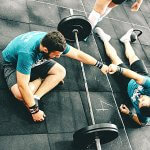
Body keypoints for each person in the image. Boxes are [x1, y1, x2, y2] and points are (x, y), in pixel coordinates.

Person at [1, 31, 108, 122]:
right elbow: (22, 86)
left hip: (36, 61)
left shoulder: (54, 42)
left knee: (61, 71)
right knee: (20, 95)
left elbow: (78, 55)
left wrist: (100, 65)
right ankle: (40, 79)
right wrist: (34, 111)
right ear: (46, 49)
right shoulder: (27, 54)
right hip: (12, 64)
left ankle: (36, 96)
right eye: (56, 54)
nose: (59, 56)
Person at [95, 27, 150, 126]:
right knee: (132, 57)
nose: (140, 98)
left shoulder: (145, 114)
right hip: (139, 76)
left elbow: (142, 123)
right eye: (143, 100)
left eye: (139, 103)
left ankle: (105, 40)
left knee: (114, 59)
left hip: (128, 84)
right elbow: (136, 77)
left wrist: (129, 113)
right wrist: (118, 69)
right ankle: (126, 41)